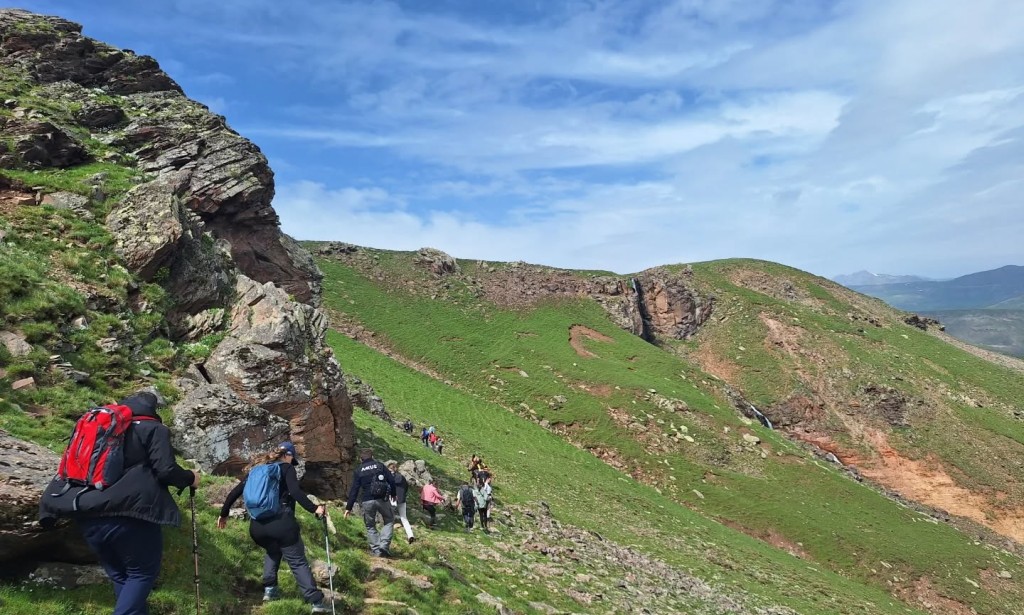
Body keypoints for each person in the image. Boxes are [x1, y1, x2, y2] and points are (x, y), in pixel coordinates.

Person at [39, 391, 200, 615]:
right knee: (142, 573)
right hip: (129, 515)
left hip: (86, 513)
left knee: (121, 576)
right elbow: (165, 470)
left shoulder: (101, 427)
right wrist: (191, 478)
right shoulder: (154, 428)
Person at [217, 442, 332, 613]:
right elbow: (296, 492)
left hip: (257, 527)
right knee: (297, 560)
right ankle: (316, 602)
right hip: (281, 524)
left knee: (273, 550)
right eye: (292, 459)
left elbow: (234, 493)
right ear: (287, 455)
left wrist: (223, 514)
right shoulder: (286, 468)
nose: (292, 463)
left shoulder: (257, 469)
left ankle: (270, 590)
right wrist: (315, 508)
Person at [345, 448, 395, 557]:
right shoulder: (380, 466)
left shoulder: (359, 470)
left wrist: (348, 507)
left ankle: (376, 550)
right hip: (382, 499)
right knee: (389, 520)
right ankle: (384, 545)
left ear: (360, 459)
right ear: (372, 456)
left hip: (367, 500)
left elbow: (354, 490)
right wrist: (393, 494)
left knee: (370, 525)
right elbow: (391, 480)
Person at [386, 461, 415, 544]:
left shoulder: (388, 478)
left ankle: (389, 536)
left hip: (392, 499)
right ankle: (410, 535)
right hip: (402, 500)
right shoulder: (402, 477)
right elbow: (406, 487)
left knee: (390, 517)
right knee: (404, 518)